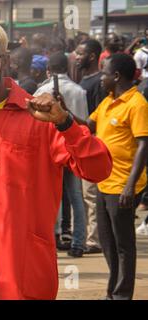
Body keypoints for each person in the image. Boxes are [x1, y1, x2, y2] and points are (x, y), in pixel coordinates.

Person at [0, 21, 112, 300]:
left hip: (23, 276)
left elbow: (98, 169)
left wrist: (66, 123)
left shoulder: (40, 116)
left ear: (4, 62)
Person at [83, 54, 148, 300]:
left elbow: (144, 144)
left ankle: (122, 295)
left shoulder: (137, 104)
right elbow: (86, 127)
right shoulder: (109, 101)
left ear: (117, 76)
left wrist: (130, 187)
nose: (102, 78)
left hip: (122, 185)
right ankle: (113, 291)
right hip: (104, 181)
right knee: (108, 243)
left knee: (123, 245)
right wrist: (63, 113)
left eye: (105, 73)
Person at [34, 52, 89, 258]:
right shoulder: (79, 90)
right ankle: (78, 242)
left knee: (52, 195)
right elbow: (83, 122)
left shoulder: (42, 90)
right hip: (73, 146)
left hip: (52, 149)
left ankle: (54, 237)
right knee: (76, 197)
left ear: (49, 68)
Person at [75, 39, 107, 254]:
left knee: (90, 195)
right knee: (85, 196)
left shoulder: (97, 83)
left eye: (80, 53)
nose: (77, 57)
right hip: (82, 144)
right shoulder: (83, 80)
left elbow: (97, 119)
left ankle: (94, 240)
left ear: (92, 56)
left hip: (93, 144)